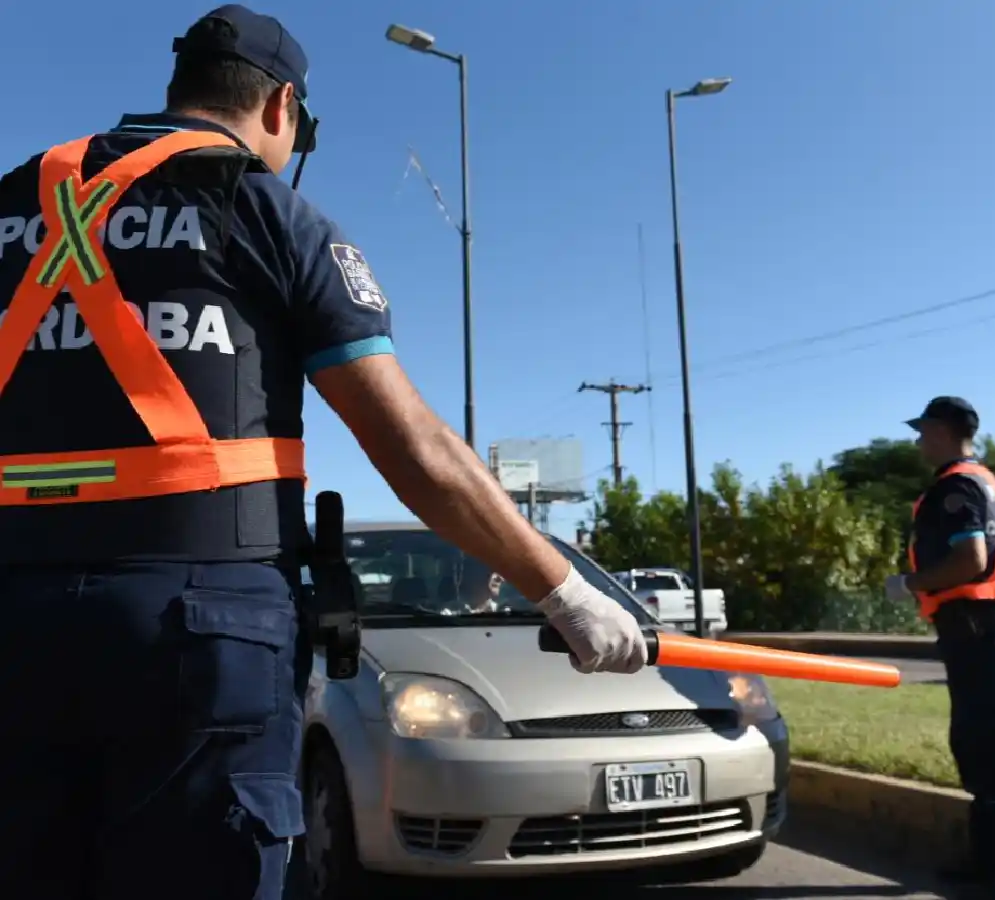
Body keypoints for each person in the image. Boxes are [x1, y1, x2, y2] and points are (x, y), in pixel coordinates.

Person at [0, 6, 646, 900]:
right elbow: (410, 444)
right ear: (281, 108)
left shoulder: (13, 201)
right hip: (200, 628)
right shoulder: (268, 210)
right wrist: (564, 591)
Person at [883, 397, 995, 900]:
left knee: (993, 749)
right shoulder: (982, 480)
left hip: (980, 627)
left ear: (943, 431)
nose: (918, 441)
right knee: (979, 746)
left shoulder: (955, 486)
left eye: (923, 431)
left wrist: (909, 583)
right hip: (982, 627)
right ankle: (991, 860)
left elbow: (971, 560)